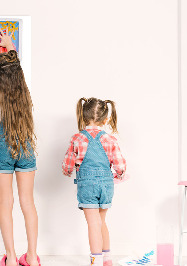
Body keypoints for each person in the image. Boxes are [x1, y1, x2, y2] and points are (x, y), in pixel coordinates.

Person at [0, 28, 40, 266]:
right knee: (28, 202)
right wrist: (10, 46)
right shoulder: (25, 93)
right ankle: (32, 257)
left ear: (0, 76)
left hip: (3, 148)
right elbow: (16, 69)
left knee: (6, 203)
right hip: (25, 146)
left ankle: (12, 258)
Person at [62, 98, 127, 266]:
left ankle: (96, 261)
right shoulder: (110, 139)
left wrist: (67, 171)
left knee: (93, 224)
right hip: (106, 185)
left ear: (83, 117)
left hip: (87, 186)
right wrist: (119, 175)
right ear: (105, 120)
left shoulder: (77, 138)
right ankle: (107, 260)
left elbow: (67, 164)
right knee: (101, 222)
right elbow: (120, 165)